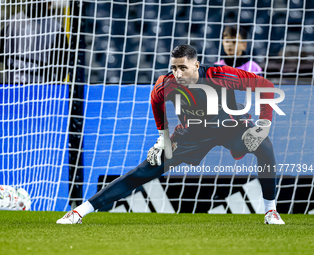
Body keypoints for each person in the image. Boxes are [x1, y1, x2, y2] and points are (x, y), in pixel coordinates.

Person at [57, 45, 285, 225]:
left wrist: (263, 125)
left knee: (265, 146)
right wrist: (162, 136)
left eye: (183, 68)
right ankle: (79, 212)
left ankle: (270, 212)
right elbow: (156, 103)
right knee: (143, 171)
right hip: (192, 134)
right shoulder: (165, 84)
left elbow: (264, 85)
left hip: (232, 128)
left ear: (196, 65)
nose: (177, 73)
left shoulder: (221, 74)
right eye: (174, 68)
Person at [0, 1, 69, 84]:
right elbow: (62, 69)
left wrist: (15, 63)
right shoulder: (56, 29)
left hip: (13, 88)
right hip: (42, 91)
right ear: (50, 3)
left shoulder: (12, 22)